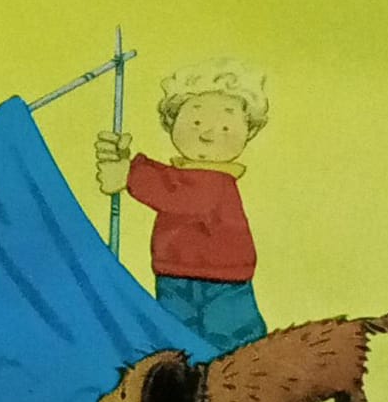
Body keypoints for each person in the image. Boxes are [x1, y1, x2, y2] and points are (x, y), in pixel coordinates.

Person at [96, 59, 269, 351]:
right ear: (172, 122)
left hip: (222, 282)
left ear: (248, 130)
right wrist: (127, 163)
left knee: (231, 343)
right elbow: (170, 181)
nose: (207, 134)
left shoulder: (216, 181)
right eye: (196, 121)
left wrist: (130, 175)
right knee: (176, 341)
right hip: (173, 274)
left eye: (225, 125)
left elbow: (182, 197)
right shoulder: (181, 175)